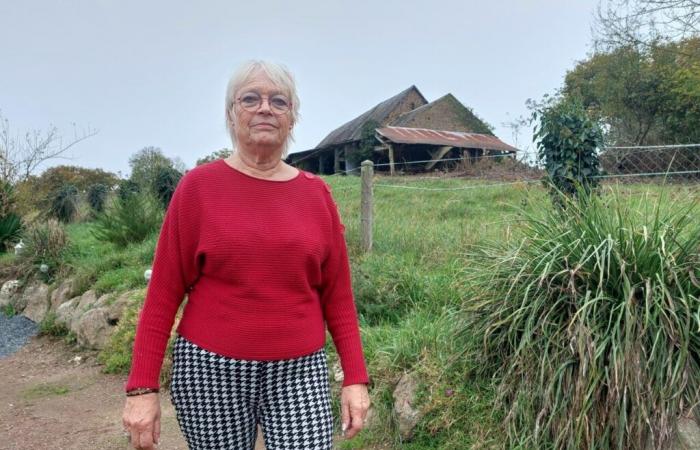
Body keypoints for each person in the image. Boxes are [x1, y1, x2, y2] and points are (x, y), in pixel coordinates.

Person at [122, 60, 371, 450]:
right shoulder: (198, 189)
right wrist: (142, 389)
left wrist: (355, 378)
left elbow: (337, 295)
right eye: (250, 99)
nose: (265, 108)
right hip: (209, 370)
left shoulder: (316, 195)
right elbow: (163, 295)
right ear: (231, 114)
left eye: (279, 101)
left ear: (292, 118)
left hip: (299, 370)